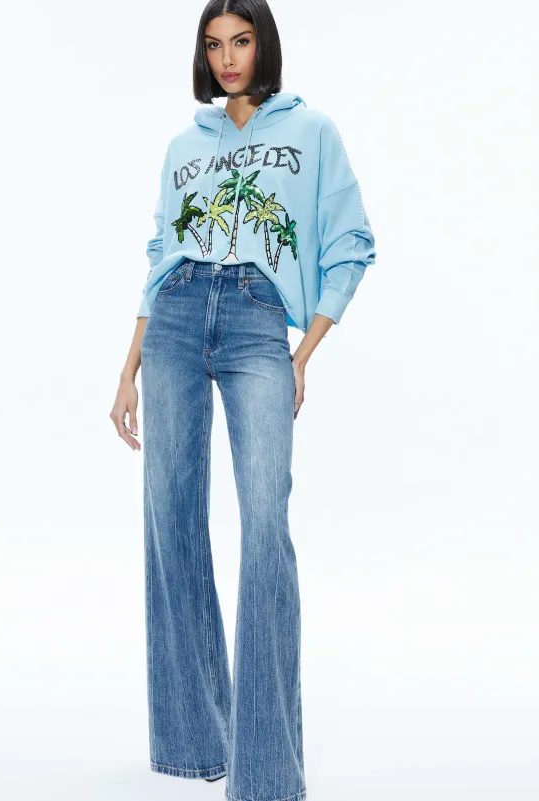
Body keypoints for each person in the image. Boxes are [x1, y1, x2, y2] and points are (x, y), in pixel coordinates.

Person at [110, 1, 376, 799]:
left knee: (265, 524)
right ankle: (195, 740)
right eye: (214, 44)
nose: (227, 57)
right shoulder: (183, 145)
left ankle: (265, 771)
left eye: (242, 40)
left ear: (265, 45)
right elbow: (161, 252)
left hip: (259, 317)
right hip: (175, 318)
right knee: (170, 517)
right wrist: (127, 368)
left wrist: (304, 351)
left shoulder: (312, 131)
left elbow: (352, 242)